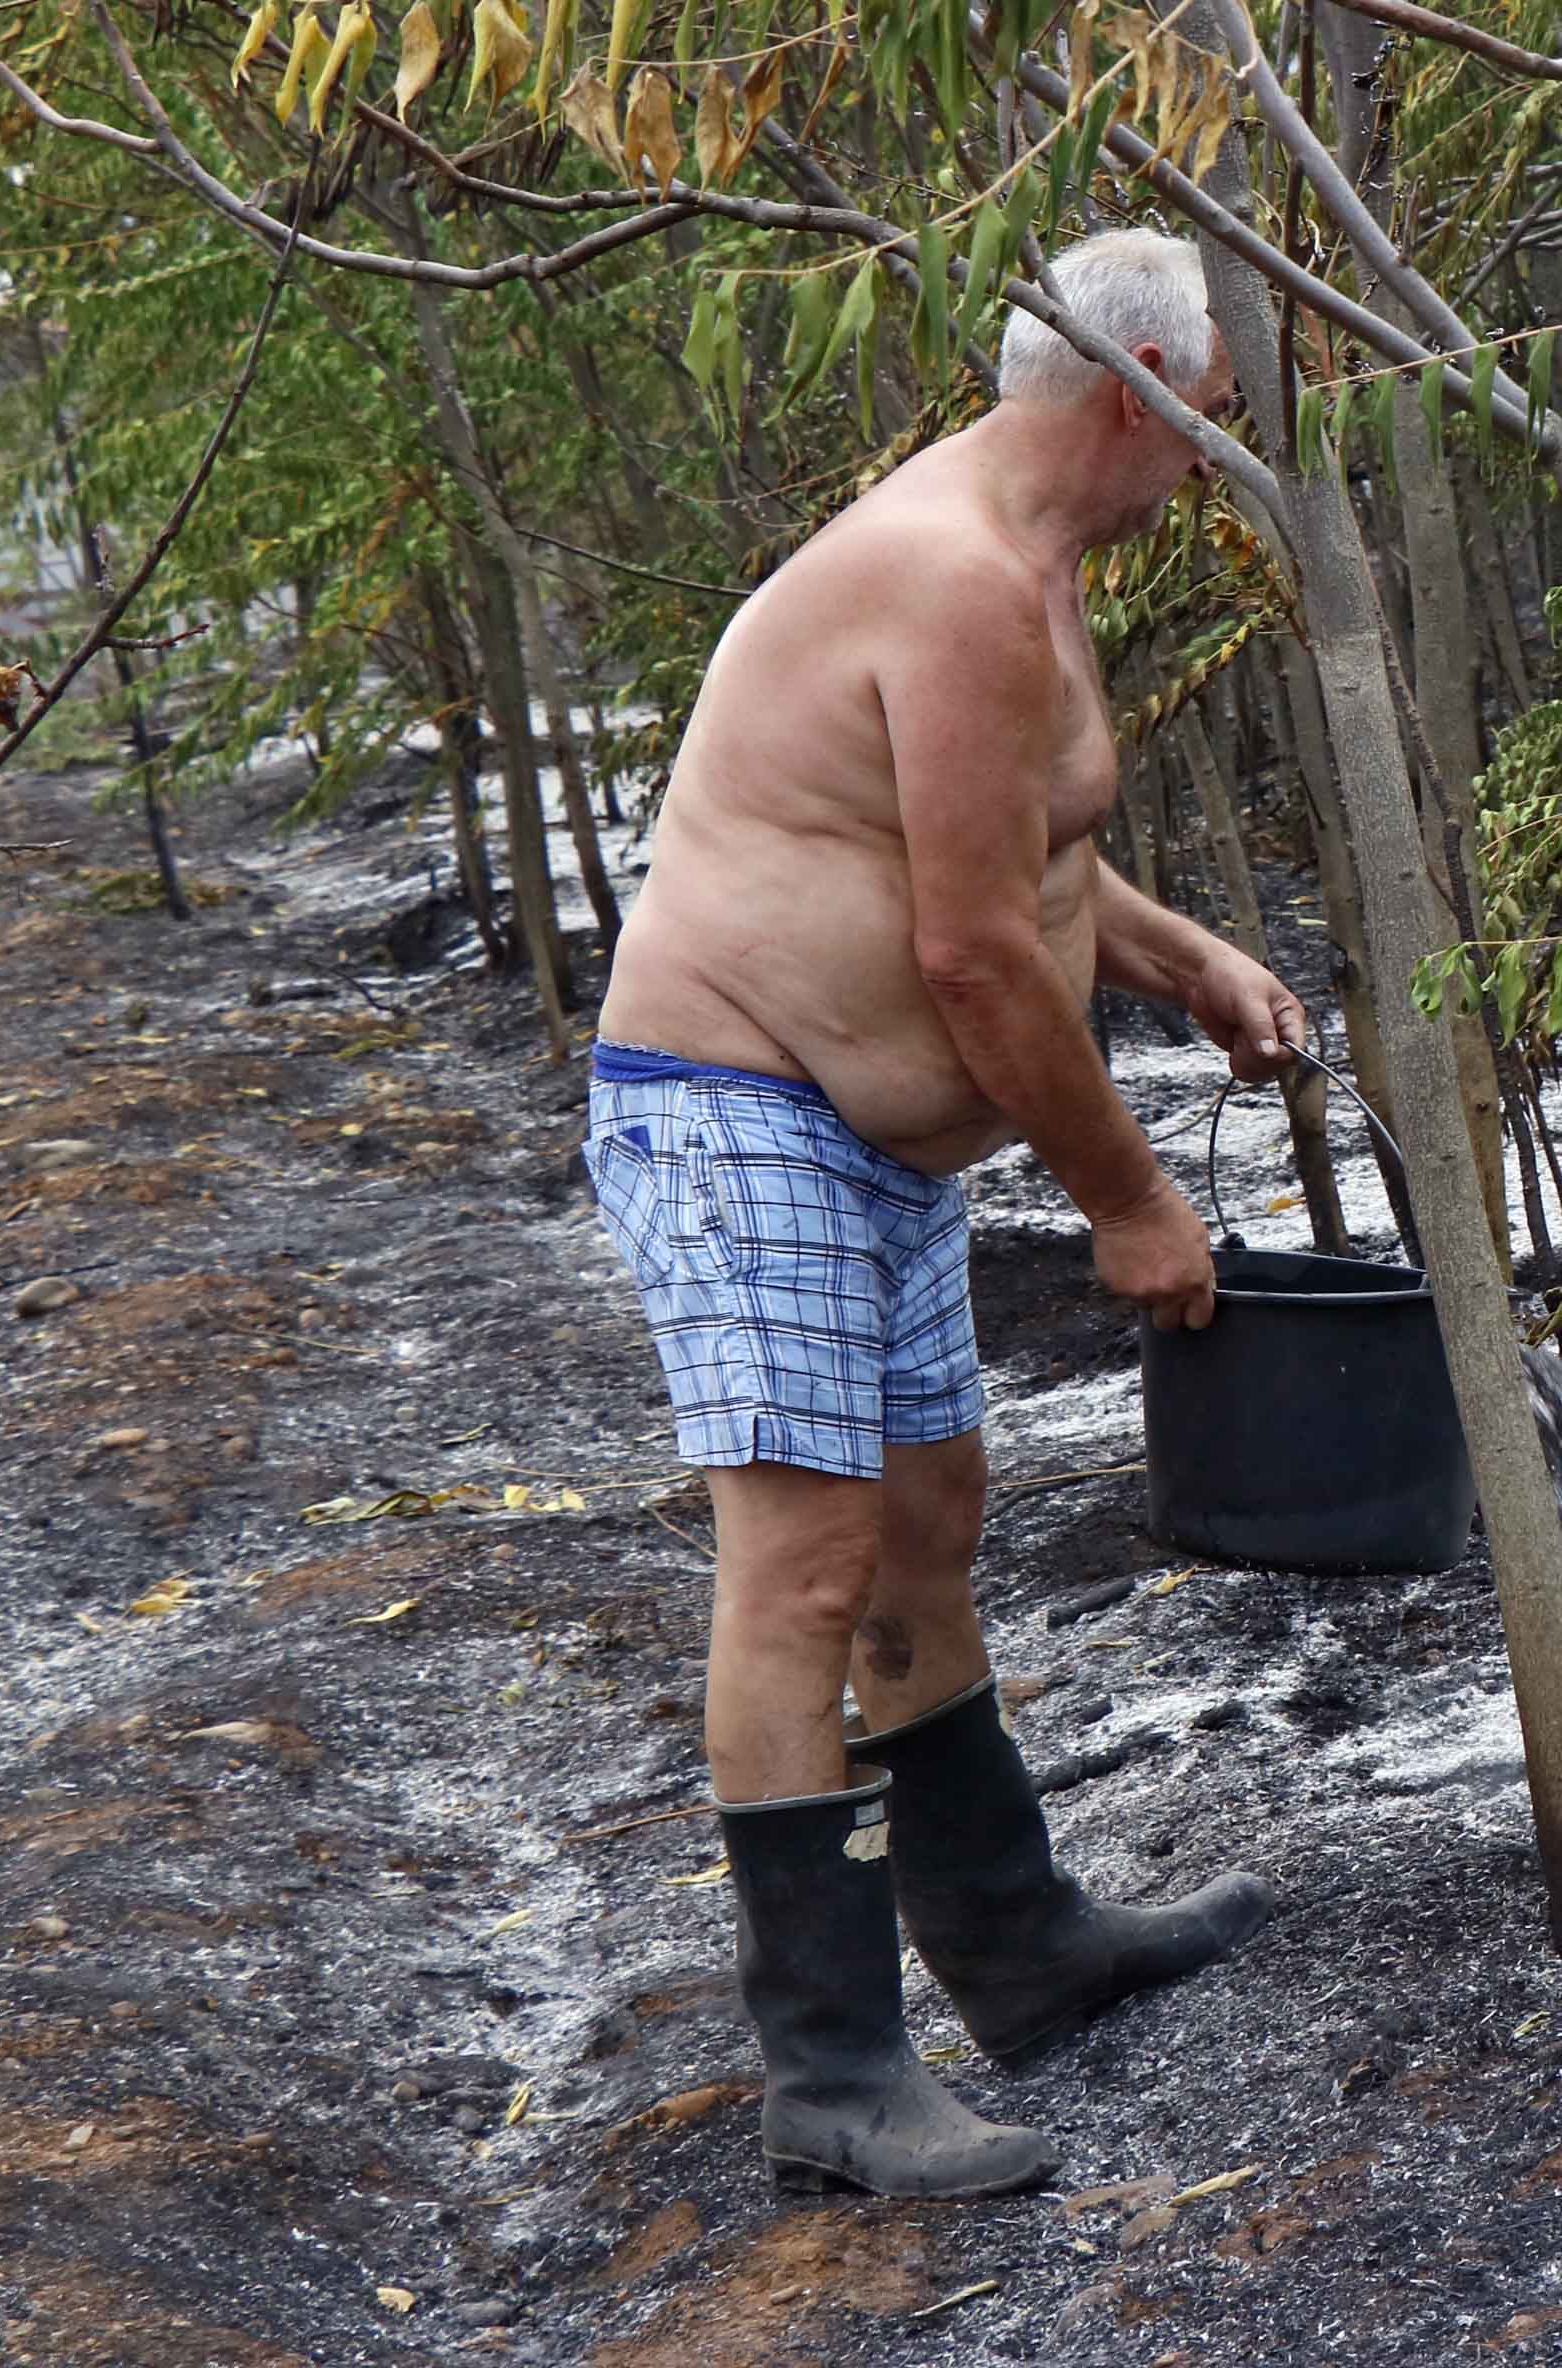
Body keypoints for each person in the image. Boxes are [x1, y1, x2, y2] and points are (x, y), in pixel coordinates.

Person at [586, 229, 1312, 2195]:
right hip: (742, 1106)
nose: (1212, 456)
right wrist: (1132, 1198)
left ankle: (1016, 1942)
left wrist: (1178, 958)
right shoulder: (963, 575)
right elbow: (979, 955)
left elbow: (1012, 855)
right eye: (1207, 419)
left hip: (859, 1135)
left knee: (930, 1526)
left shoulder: (1030, 563)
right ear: (1131, 392)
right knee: (807, 1565)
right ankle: (829, 2066)